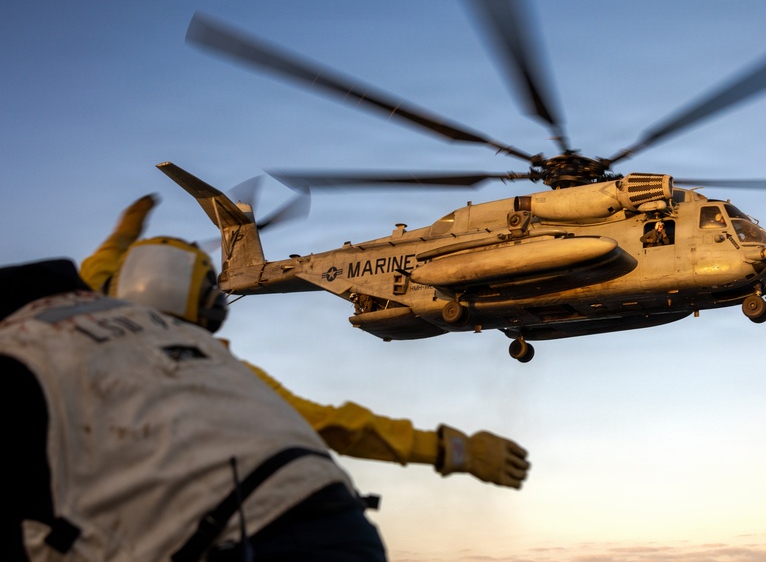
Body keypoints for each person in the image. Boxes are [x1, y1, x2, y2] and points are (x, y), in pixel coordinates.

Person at [81, 195, 530, 488]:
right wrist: (454, 450)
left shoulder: (81, 331)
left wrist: (121, 239)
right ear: (205, 303)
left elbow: (97, 277)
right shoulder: (201, 370)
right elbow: (332, 426)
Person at [0, 258, 386, 562]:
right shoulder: (167, 328)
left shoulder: (20, 347)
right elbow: (322, 420)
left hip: (238, 544)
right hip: (346, 521)